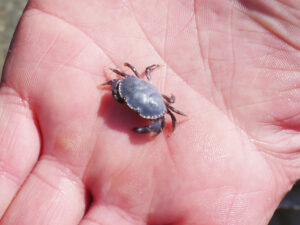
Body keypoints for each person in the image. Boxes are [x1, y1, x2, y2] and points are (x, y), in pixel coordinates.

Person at [0, 0, 299, 224]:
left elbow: (164, 115)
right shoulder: (132, 79)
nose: (127, 105)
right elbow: (124, 79)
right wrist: (118, 91)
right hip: (142, 87)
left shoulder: (162, 111)